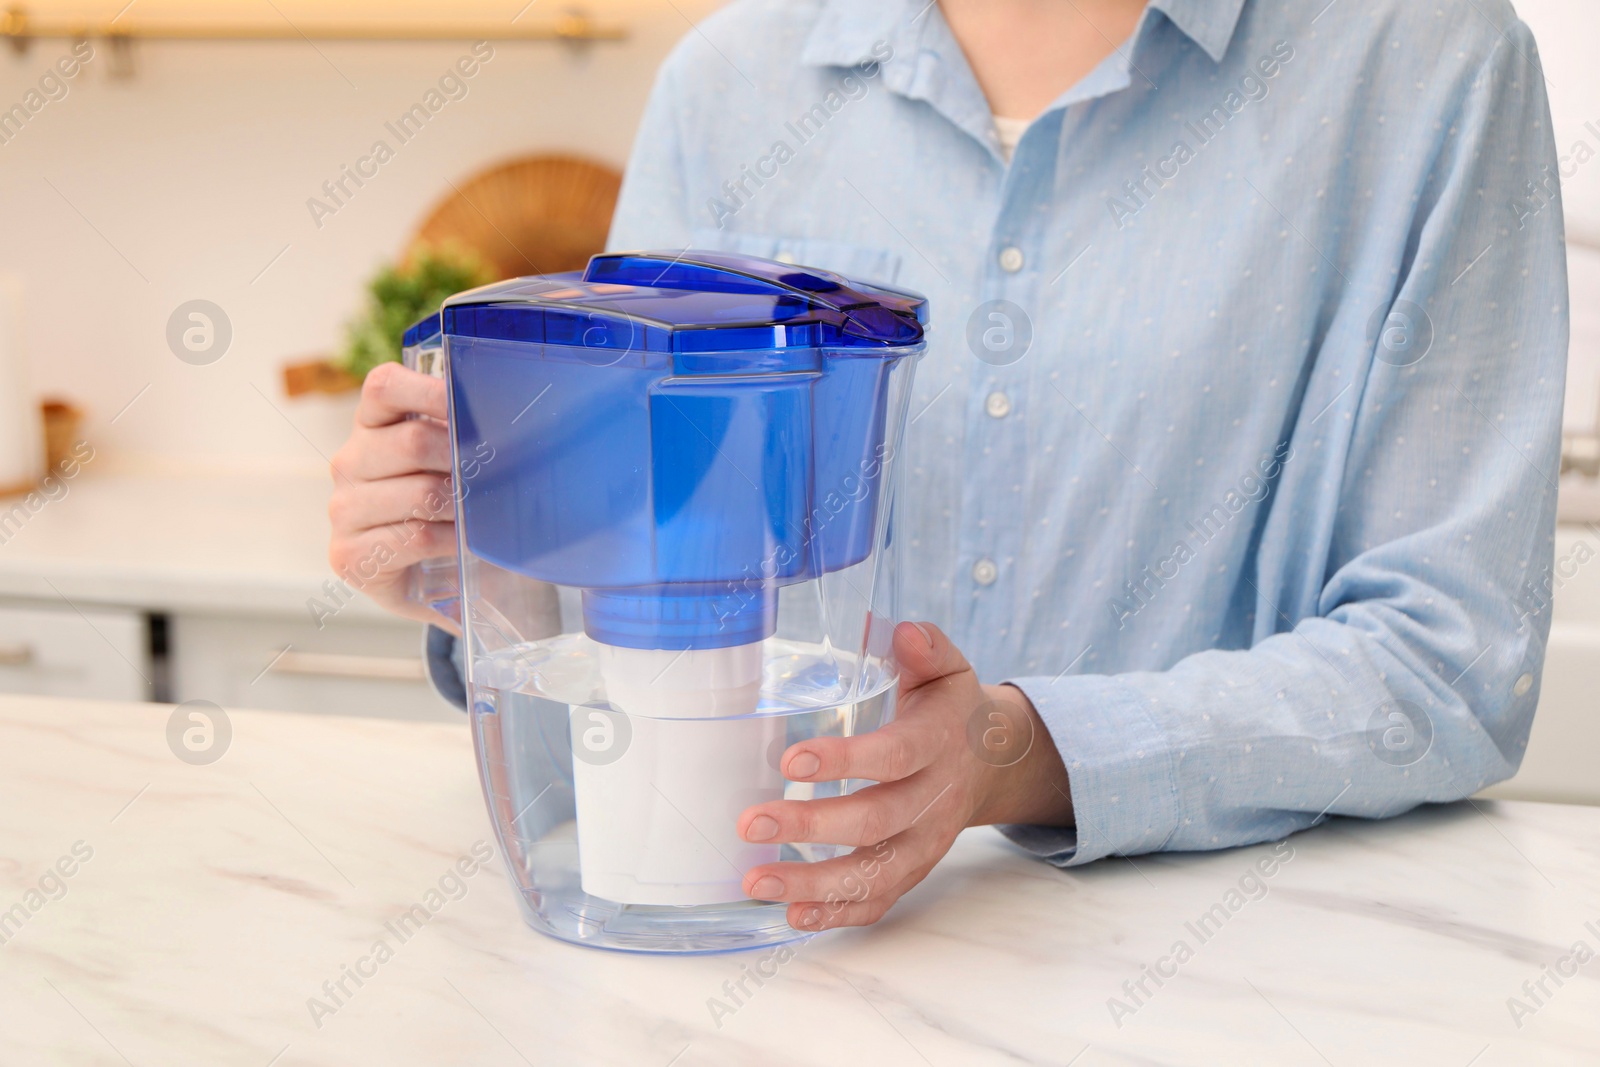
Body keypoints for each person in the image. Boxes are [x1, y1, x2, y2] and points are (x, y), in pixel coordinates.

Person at [329, 0, 1569, 935]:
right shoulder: (730, 83)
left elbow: (1445, 660)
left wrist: (1014, 750)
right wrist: (473, 557)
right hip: (776, 959)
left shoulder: (1424, 66)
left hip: (1228, 969)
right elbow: (653, 584)